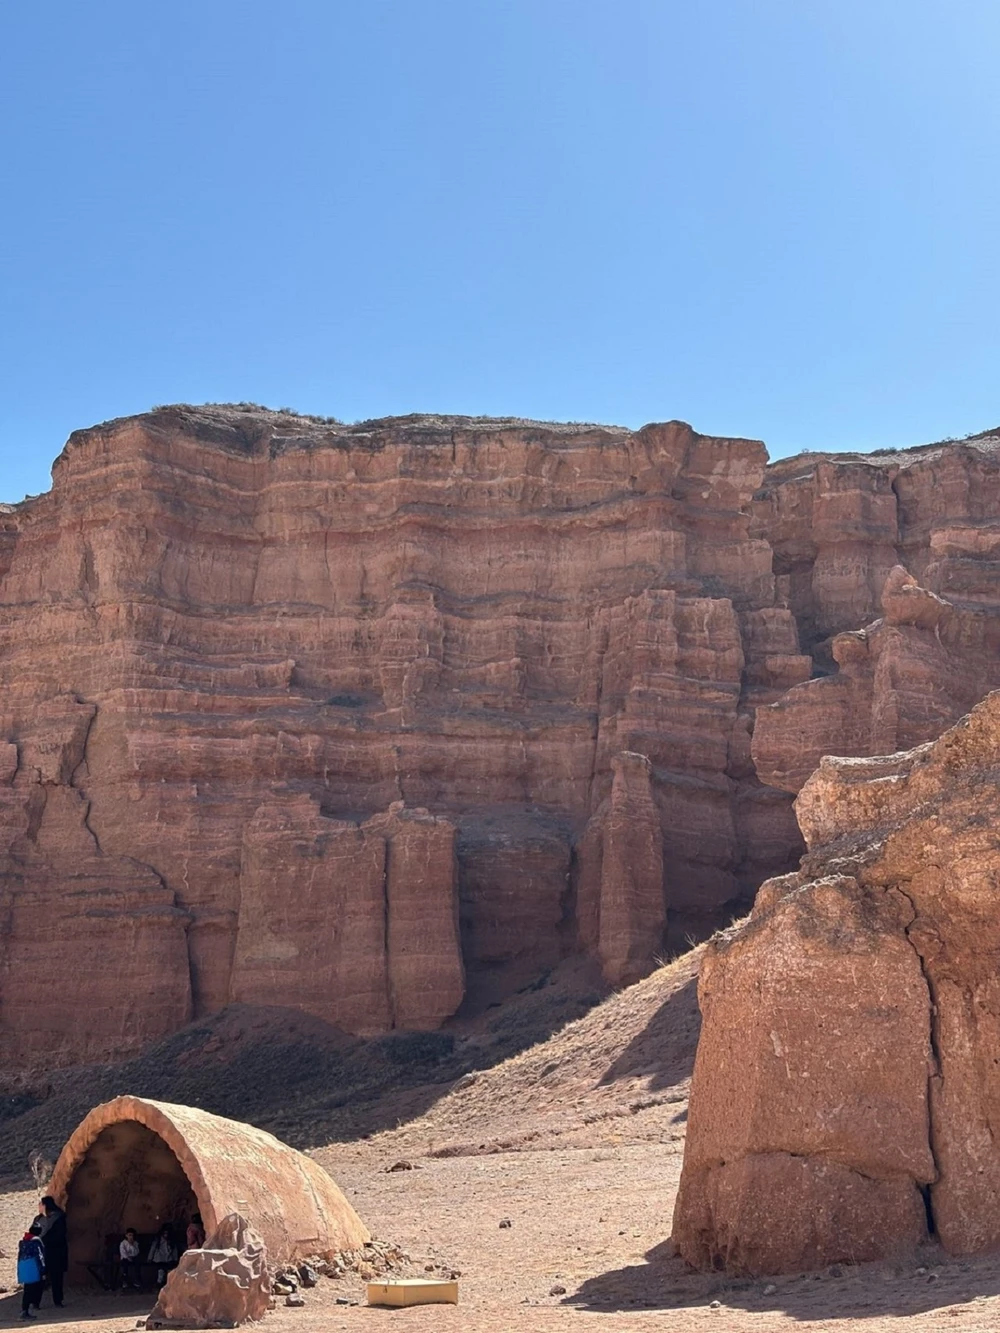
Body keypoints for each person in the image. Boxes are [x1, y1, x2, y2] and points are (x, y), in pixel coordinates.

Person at [35, 1197, 67, 1308]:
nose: (39, 1207)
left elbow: (60, 1235)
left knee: (56, 1277)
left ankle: (58, 1301)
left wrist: (44, 1240)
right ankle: (36, 1302)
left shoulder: (58, 1218)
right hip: (41, 1253)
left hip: (56, 1252)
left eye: (41, 1204)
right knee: (40, 1278)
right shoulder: (38, 1219)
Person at [17, 1224, 46, 1320]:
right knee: (33, 1289)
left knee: (27, 1290)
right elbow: (40, 1257)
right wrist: (43, 1270)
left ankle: (24, 1310)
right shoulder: (36, 1242)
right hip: (33, 1268)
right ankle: (26, 1312)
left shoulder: (23, 1242)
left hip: (24, 1267)